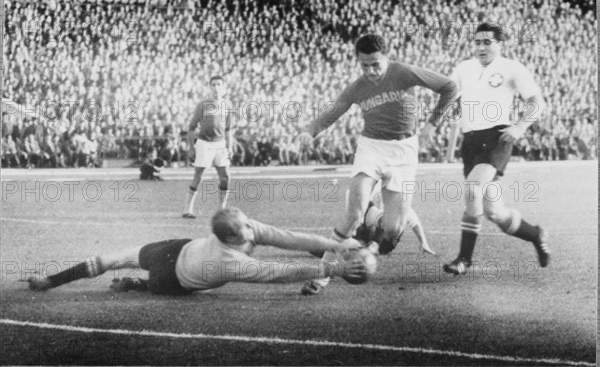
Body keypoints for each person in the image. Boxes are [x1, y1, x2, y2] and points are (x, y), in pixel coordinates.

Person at [297, 34, 458, 295]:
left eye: (375, 64)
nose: (370, 71)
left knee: (394, 227)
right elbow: (334, 111)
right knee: (354, 210)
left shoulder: (403, 72)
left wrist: (432, 125)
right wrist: (310, 130)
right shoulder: (358, 87)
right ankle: (323, 274)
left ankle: (367, 248)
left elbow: (449, 87)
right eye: (364, 66)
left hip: (405, 151)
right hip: (371, 148)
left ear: (386, 57)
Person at [23, 208, 366, 295]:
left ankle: (50, 281)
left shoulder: (239, 227)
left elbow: (288, 237)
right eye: (249, 226)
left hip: (175, 247)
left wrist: (335, 245)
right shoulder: (231, 262)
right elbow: (280, 272)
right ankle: (53, 281)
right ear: (237, 237)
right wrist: (332, 270)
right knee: (115, 262)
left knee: (113, 259)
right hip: (171, 276)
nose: (255, 226)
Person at [443, 22, 550, 276]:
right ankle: (536, 234)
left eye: (487, 42)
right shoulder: (463, 68)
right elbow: (452, 105)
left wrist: (520, 127)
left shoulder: (512, 68)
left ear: (500, 44)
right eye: (477, 42)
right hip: (470, 141)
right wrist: (449, 143)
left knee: (473, 188)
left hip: (497, 137)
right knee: (495, 212)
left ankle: (463, 259)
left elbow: (537, 102)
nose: (481, 47)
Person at [183, 76, 234, 218]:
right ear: (209, 87)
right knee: (198, 176)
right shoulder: (203, 105)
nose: (216, 87)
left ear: (224, 88)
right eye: (213, 85)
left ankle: (221, 210)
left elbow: (229, 129)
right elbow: (191, 128)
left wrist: (229, 146)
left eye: (219, 85)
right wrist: (191, 148)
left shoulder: (228, 105)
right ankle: (188, 209)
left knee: (225, 176)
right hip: (204, 142)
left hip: (220, 144)